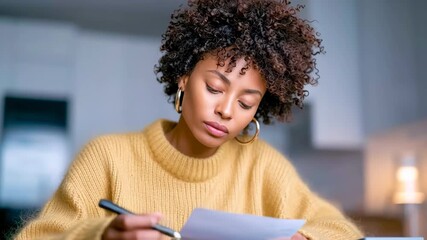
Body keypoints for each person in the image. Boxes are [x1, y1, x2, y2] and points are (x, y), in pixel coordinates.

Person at [14, 0, 364, 239]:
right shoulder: (107, 158)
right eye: (215, 87)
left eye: (245, 102)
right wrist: (100, 235)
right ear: (184, 77)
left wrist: (305, 237)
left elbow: (342, 230)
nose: (227, 110)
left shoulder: (264, 168)